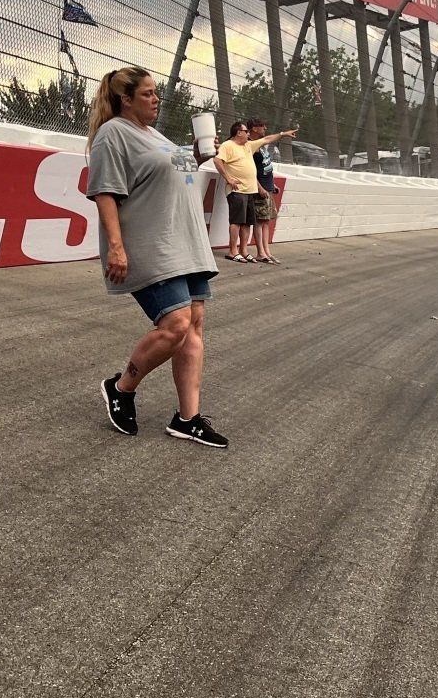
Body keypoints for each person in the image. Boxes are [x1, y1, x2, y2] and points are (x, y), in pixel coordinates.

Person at [86, 67, 228, 448]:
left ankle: (188, 418)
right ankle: (121, 387)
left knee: (194, 325)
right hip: (153, 246)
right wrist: (116, 247)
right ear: (125, 99)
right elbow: (104, 192)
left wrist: (197, 154)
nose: (156, 99)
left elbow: (173, 174)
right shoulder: (112, 134)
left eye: (156, 93)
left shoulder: (155, 136)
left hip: (186, 244)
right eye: (147, 94)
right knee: (175, 325)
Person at [214, 117, 297, 264]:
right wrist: (228, 179)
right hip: (237, 190)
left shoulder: (248, 145)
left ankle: (243, 251)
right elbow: (217, 160)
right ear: (238, 132)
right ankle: (232, 251)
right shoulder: (228, 145)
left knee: (247, 223)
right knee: (237, 221)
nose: (248, 134)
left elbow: (267, 139)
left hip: (249, 190)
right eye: (246, 131)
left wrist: (283, 134)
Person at [244, 118, 281, 263]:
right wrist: (259, 187)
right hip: (260, 188)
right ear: (254, 128)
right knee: (259, 221)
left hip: (269, 186)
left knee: (266, 221)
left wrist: (273, 184)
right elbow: (250, 170)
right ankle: (260, 252)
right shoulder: (250, 146)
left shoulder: (262, 145)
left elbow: (266, 167)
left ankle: (267, 251)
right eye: (262, 126)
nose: (265, 128)